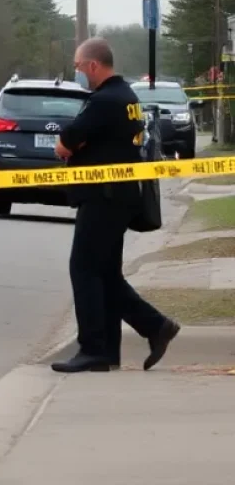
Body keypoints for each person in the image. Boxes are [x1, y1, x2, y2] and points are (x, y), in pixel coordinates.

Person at [50, 37, 180, 373]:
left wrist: (67, 147)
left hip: (102, 196)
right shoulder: (127, 98)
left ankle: (95, 347)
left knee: (84, 269)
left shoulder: (105, 100)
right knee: (105, 273)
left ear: (93, 65)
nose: (77, 72)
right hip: (117, 197)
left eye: (79, 66)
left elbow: (66, 143)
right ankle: (115, 348)